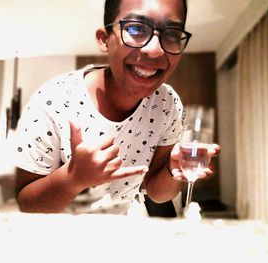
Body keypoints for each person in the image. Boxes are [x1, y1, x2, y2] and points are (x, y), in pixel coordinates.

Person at [13, 0, 219, 215]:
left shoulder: (167, 104)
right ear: (104, 39)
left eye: (172, 34)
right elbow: (27, 204)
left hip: (122, 230)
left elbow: (157, 193)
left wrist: (171, 170)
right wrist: (73, 178)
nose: (155, 51)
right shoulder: (53, 100)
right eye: (136, 29)